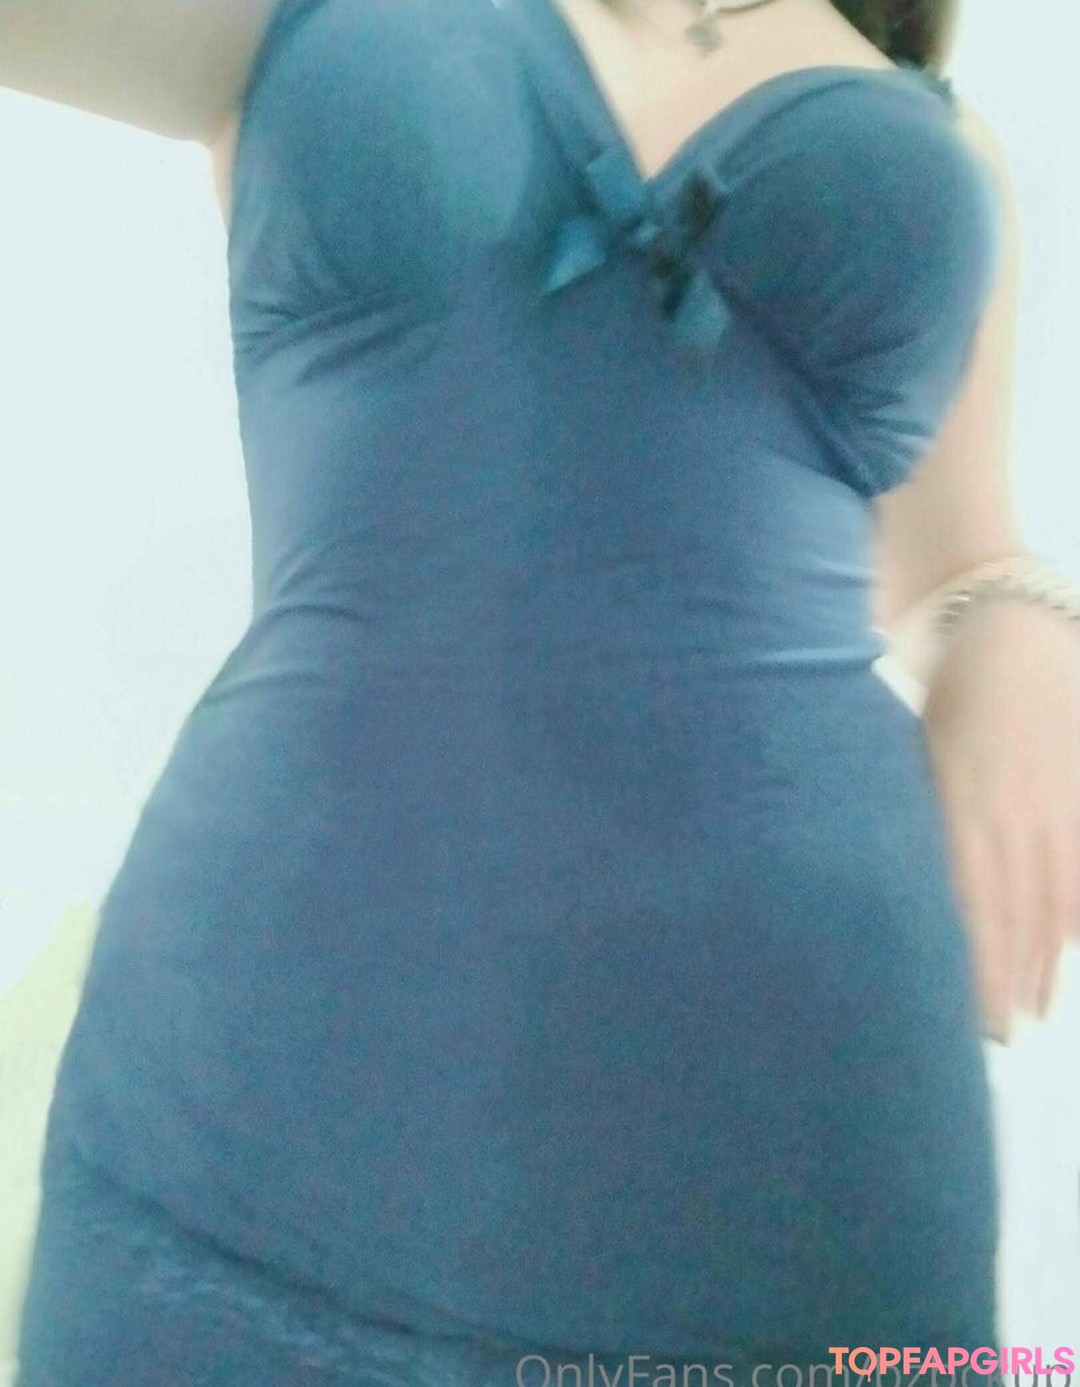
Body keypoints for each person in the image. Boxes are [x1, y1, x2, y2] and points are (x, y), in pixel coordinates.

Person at [6, 0, 1080, 1381]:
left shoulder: (935, 140)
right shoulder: (300, 17)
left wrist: (1020, 628)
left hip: (806, 1105)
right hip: (270, 1055)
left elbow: (954, 557)